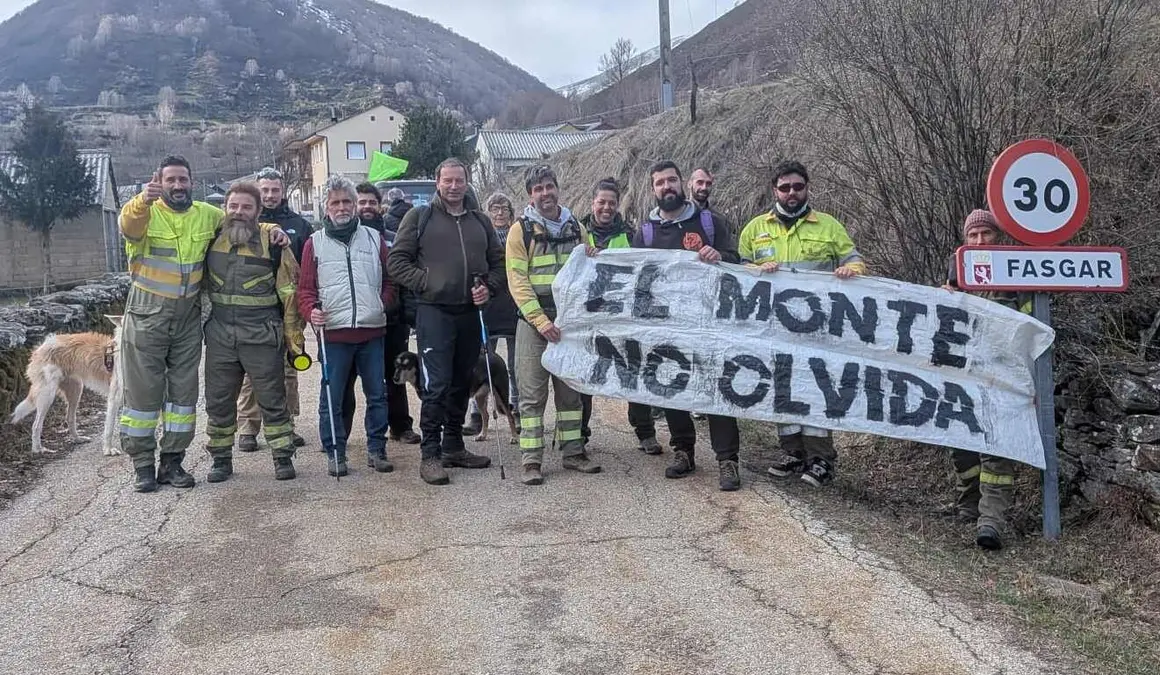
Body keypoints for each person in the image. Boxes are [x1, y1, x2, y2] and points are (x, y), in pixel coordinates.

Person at [117, 155, 287, 493]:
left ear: (191, 182)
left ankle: (173, 462)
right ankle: (143, 466)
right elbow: (128, 226)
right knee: (142, 395)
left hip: (187, 319)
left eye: (183, 179)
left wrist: (272, 229)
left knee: (183, 397)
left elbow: (241, 219)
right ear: (160, 182)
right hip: (147, 315)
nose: (178, 186)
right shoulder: (144, 213)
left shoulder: (206, 215)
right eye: (171, 180)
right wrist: (142, 200)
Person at [738, 160, 866, 488]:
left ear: (807, 188)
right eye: (785, 187)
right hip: (774, 329)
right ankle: (793, 452)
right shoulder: (754, 229)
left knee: (817, 389)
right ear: (774, 190)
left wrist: (852, 271)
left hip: (818, 330)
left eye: (798, 187)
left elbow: (853, 259)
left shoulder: (828, 226)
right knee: (782, 388)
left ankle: (822, 458)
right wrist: (755, 271)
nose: (792, 193)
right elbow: (738, 274)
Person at [388, 158, 504, 486]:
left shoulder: (480, 221)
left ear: (467, 182)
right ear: (437, 182)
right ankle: (431, 455)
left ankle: (454, 446)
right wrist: (427, 283)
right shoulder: (420, 217)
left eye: (460, 180)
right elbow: (397, 262)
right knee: (436, 385)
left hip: (470, 313)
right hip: (434, 313)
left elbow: (498, 264)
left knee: (460, 381)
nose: (454, 186)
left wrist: (488, 288)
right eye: (447, 180)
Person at [634, 160, 742, 492]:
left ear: (682, 183)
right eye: (660, 183)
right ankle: (683, 451)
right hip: (666, 326)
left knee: (715, 387)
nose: (667, 187)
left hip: (708, 323)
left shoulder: (709, 222)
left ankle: (728, 459)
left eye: (671, 180)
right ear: (653, 190)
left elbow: (737, 261)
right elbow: (634, 276)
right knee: (671, 385)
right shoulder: (646, 232)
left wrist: (719, 255)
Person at [202, 182, 303, 482]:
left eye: (247, 207)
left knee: (273, 399)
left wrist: (293, 341)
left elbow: (290, 294)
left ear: (258, 211)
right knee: (218, 400)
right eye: (233, 206)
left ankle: (283, 457)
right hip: (221, 335)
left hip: (262, 334)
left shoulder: (273, 242)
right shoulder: (209, 239)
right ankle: (221, 459)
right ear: (225, 209)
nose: (239, 212)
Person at [506, 164, 600, 485]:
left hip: (569, 326)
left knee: (571, 394)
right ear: (530, 195)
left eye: (549, 186)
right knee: (532, 396)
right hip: (534, 324)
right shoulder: (521, 231)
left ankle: (574, 453)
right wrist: (540, 320)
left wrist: (594, 254)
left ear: (557, 188)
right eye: (538, 189)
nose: (545, 193)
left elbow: (588, 268)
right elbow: (517, 282)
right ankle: (531, 461)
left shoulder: (576, 227)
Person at [297, 176, 396, 477]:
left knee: (377, 394)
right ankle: (335, 452)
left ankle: (377, 448)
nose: (342, 207)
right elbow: (305, 290)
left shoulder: (374, 239)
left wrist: (382, 303)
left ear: (355, 205)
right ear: (325, 208)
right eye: (335, 202)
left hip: (371, 332)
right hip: (334, 335)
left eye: (346, 202)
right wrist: (311, 311)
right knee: (332, 396)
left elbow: (390, 281)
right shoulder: (314, 244)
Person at [941, 209, 1025, 551]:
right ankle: (968, 505)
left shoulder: (1017, 274)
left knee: (996, 452)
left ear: (998, 237)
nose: (979, 241)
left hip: (1003, 379)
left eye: (986, 234)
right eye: (973, 236)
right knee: (960, 446)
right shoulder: (956, 269)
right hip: (963, 378)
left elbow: (1028, 328)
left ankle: (990, 522)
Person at [579, 177, 663, 455]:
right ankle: (578, 434)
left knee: (633, 372)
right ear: (592, 202)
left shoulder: (631, 235)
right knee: (584, 377)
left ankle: (645, 432)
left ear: (618, 206)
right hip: (587, 319)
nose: (606, 207)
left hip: (623, 320)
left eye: (611, 203)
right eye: (601, 202)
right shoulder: (577, 233)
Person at [337, 183, 421, 447]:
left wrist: (408, 313)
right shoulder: (343, 239)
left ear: (380, 204)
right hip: (356, 321)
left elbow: (405, 276)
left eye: (371, 202)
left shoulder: (395, 237)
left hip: (392, 319)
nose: (366, 207)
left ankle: (400, 427)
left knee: (395, 375)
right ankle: (342, 432)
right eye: (361, 203)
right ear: (354, 205)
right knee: (347, 378)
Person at [234, 166, 310, 453]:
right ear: (257, 190)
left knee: (289, 370)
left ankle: (286, 424)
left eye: (274, 190)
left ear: (283, 191)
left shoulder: (301, 226)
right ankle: (248, 428)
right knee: (252, 373)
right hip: (254, 311)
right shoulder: (242, 223)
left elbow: (308, 269)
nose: (269, 195)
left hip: (288, 312)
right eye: (264, 190)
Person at [464, 192, 520, 436]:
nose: (499, 213)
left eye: (504, 208)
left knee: (515, 365)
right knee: (481, 361)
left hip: (515, 304)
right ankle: (477, 413)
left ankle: (515, 408)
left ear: (511, 212)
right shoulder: (481, 236)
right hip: (488, 306)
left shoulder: (519, 234)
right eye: (495, 209)